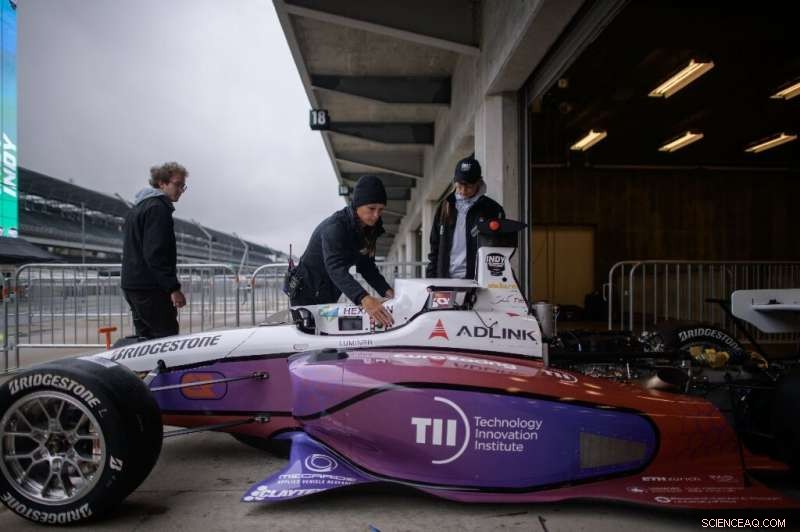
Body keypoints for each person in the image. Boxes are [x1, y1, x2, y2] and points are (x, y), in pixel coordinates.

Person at [288, 175, 395, 327]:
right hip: (306, 290)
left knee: (327, 331)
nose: (376, 215)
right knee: (309, 333)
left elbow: (367, 267)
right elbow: (334, 267)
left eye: (381, 210)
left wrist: (388, 292)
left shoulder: (370, 229)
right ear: (357, 204)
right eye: (371, 208)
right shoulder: (335, 227)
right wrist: (364, 298)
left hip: (330, 289)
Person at [121, 162, 188, 339]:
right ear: (162, 183)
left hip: (133, 285)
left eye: (183, 186)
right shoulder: (158, 209)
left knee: (145, 342)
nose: (181, 190)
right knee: (166, 339)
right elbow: (155, 254)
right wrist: (173, 288)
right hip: (150, 288)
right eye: (177, 184)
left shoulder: (138, 207)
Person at [426, 155, 505, 279]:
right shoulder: (444, 207)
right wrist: (431, 280)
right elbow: (434, 247)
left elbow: (499, 250)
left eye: (468, 186)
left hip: (478, 281)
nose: (463, 191)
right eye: (459, 186)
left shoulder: (492, 209)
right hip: (445, 281)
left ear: (479, 182)